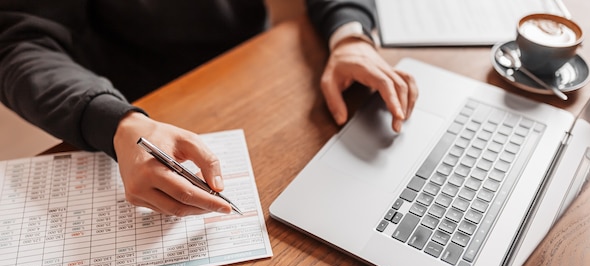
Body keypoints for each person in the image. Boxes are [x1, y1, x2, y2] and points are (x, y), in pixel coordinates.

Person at [0, 0, 418, 216]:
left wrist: (349, 34)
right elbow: (17, 44)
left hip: (262, 73)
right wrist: (115, 120)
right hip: (139, 106)